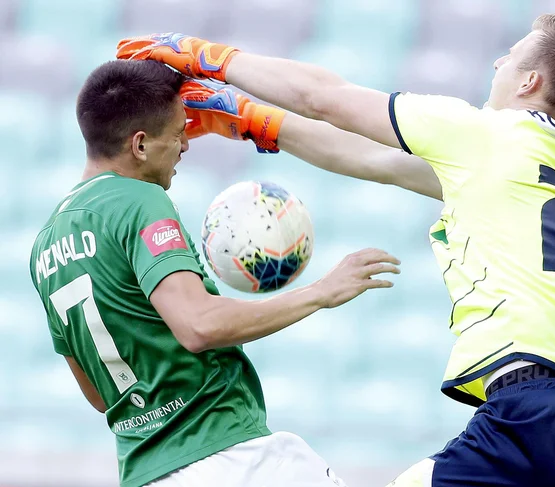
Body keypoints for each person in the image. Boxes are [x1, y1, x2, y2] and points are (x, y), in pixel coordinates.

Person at [117, 14, 555, 487]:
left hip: (541, 411)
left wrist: (209, 57)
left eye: (510, 57)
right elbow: (373, 160)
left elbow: (323, 98)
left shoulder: (487, 134)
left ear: (530, 80)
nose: (498, 61)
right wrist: (254, 120)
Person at [29, 59, 402, 487]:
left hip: (146, 473)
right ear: (140, 145)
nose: (186, 145)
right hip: (229, 457)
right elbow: (199, 326)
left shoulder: (45, 244)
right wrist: (321, 291)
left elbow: (98, 394)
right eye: (178, 132)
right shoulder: (137, 201)